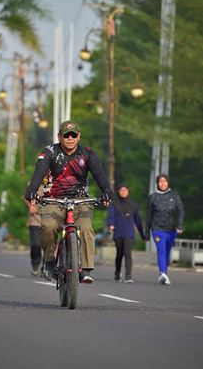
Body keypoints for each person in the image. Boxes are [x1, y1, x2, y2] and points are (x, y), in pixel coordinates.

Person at [24, 120, 114, 283]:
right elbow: (39, 173)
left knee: (86, 229)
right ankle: (49, 262)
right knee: (48, 226)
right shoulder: (49, 152)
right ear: (60, 136)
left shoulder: (88, 154)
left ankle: (86, 269)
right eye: (66, 135)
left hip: (80, 200)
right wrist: (32, 190)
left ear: (79, 136)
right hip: (53, 200)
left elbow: (99, 175)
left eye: (74, 135)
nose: (70, 138)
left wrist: (107, 191)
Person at [146, 173, 185, 285]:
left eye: (165, 181)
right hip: (157, 229)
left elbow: (181, 210)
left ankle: (164, 274)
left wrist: (180, 224)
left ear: (168, 182)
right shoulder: (153, 197)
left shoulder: (174, 195)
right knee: (161, 250)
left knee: (167, 252)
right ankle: (162, 273)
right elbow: (149, 215)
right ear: (157, 183)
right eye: (160, 181)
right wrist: (147, 233)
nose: (163, 183)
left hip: (171, 229)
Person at [108, 184, 146, 283]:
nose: (123, 192)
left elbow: (138, 221)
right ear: (118, 192)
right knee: (119, 254)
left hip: (129, 232)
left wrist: (142, 235)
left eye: (125, 190)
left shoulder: (133, 205)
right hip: (118, 232)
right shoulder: (114, 204)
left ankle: (128, 275)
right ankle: (117, 273)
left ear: (128, 191)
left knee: (127, 253)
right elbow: (110, 216)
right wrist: (111, 225)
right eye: (121, 190)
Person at [24, 182, 44, 276]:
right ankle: (35, 264)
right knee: (36, 245)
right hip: (35, 219)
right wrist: (30, 206)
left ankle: (46, 268)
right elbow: (25, 196)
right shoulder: (32, 183)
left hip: (48, 219)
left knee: (48, 246)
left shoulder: (53, 183)